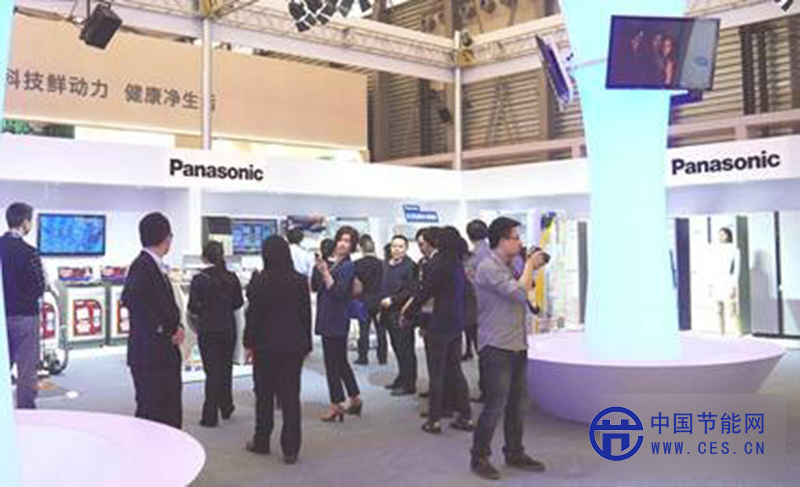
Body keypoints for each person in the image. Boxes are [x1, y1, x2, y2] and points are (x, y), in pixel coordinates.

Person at [470, 217, 549, 480]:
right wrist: (530, 265)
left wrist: (529, 267)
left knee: (517, 404)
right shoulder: (488, 267)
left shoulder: (512, 264)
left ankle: (514, 452)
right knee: (495, 404)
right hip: (496, 345)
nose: (520, 242)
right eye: (515, 238)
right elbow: (517, 293)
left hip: (516, 343)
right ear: (502, 240)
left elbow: (527, 291)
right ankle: (479, 456)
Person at [244, 236, 312, 464]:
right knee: (291, 396)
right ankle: (291, 449)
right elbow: (305, 315)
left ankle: (262, 440)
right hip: (293, 345)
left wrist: (248, 343)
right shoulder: (299, 280)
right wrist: (307, 344)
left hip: (265, 345)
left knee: (264, 396)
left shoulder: (260, 281)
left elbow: (253, 316)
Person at [403, 226, 473, 435]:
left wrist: (408, 313)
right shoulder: (458, 264)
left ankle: (434, 419)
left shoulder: (436, 264)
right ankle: (466, 416)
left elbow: (425, 293)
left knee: (436, 373)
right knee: (456, 370)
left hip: (439, 323)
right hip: (456, 322)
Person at [122, 212, 185, 429]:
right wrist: (166, 329)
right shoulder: (143, 265)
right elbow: (132, 300)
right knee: (153, 412)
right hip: (151, 355)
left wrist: (177, 326)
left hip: (160, 353)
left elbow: (162, 305)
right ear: (166, 238)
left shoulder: (155, 265)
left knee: (167, 409)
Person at [187, 240, 244, 427]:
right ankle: (226, 406)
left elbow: (192, 307)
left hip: (208, 329)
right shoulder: (232, 277)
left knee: (212, 371)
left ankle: (210, 414)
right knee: (226, 368)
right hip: (228, 327)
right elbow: (238, 303)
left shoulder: (199, 279)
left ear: (204, 257)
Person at [313, 226, 363, 422]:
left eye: (348, 241)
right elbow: (315, 286)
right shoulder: (331, 262)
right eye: (341, 239)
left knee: (332, 363)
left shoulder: (347, 266)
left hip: (337, 317)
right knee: (340, 361)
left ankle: (336, 405)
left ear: (352, 245)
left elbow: (338, 293)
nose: (342, 244)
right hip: (326, 315)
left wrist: (325, 273)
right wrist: (320, 268)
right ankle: (355, 399)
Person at [0, 202, 45, 409]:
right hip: (26, 318)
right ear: (25, 222)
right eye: (30, 221)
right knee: (27, 370)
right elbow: (39, 286)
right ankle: (26, 413)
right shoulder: (29, 252)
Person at [379, 234, 418, 396]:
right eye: (394, 246)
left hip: (402, 313)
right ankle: (402, 378)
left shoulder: (410, 266)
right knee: (397, 348)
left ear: (406, 248)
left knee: (406, 349)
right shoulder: (386, 264)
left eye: (400, 246)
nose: (396, 249)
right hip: (388, 313)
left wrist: (393, 299)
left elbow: (411, 290)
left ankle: (409, 384)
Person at [354, 234, 384, 365]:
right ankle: (382, 357)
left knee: (363, 330)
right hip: (379, 301)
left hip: (363, 300)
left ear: (361, 248)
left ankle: (363, 357)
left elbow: (355, 285)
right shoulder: (382, 264)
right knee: (381, 330)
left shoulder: (357, 264)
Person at [464, 219, 490, 361]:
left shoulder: (473, 256)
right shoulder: (493, 251)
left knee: (476, 333)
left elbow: (470, 279)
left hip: (477, 300)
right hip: (495, 299)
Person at [711, 227, 740, 335]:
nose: (720, 237)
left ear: (728, 236)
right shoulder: (714, 249)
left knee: (732, 309)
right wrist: (710, 285)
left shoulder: (734, 249)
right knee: (718, 310)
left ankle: (737, 332)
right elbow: (711, 267)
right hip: (717, 281)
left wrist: (734, 286)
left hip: (728, 281)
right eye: (719, 234)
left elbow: (736, 269)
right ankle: (721, 333)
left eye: (723, 234)